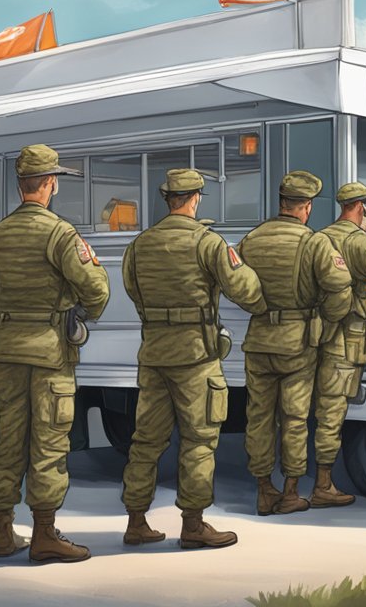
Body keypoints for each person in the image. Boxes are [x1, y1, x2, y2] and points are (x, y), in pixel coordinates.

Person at [120, 169, 266, 550]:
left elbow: (133, 290)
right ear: (196, 198)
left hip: (153, 353)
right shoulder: (208, 242)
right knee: (199, 440)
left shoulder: (140, 244)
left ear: (167, 198)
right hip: (196, 354)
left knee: (146, 440)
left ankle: (136, 520)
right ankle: (193, 523)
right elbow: (246, 291)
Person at [0, 145, 109, 564]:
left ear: (21, 185)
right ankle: (43, 535)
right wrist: (81, 311)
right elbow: (97, 289)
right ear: (50, 184)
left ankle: (3, 531)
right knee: (50, 443)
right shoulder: (60, 232)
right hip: (48, 352)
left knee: (8, 441)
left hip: (5, 350)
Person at [237, 171, 352, 515]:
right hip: (298, 341)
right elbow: (340, 286)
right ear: (307, 207)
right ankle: (290, 492)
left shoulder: (252, 239)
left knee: (258, 417)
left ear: (282, 202)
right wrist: (327, 319)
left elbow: (234, 283)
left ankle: (262, 489)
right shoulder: (314, 242)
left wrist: (257, 307)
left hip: (258, 340)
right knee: (295, 418)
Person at [313, 183, 366, 507]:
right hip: (346, 338)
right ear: (360, 207)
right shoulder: (361, 241)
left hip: (315, 331)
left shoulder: (318, 238)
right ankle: (323, 484)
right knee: (332, 410)